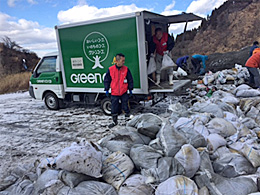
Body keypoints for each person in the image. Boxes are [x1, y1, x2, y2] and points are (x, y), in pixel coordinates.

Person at [104, 53, 134, 128]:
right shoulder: (111, 69)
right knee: (114, 107)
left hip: (124, 92)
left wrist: (130, 89)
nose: (123, 62)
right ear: (117, 61)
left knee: (125, 106)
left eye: (124, 60)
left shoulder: (126, 69)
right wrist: (106, 89)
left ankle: (128, 120)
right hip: (115, 92)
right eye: (122, 60)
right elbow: (107, 80)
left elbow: (130, 79)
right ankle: (114, 121)